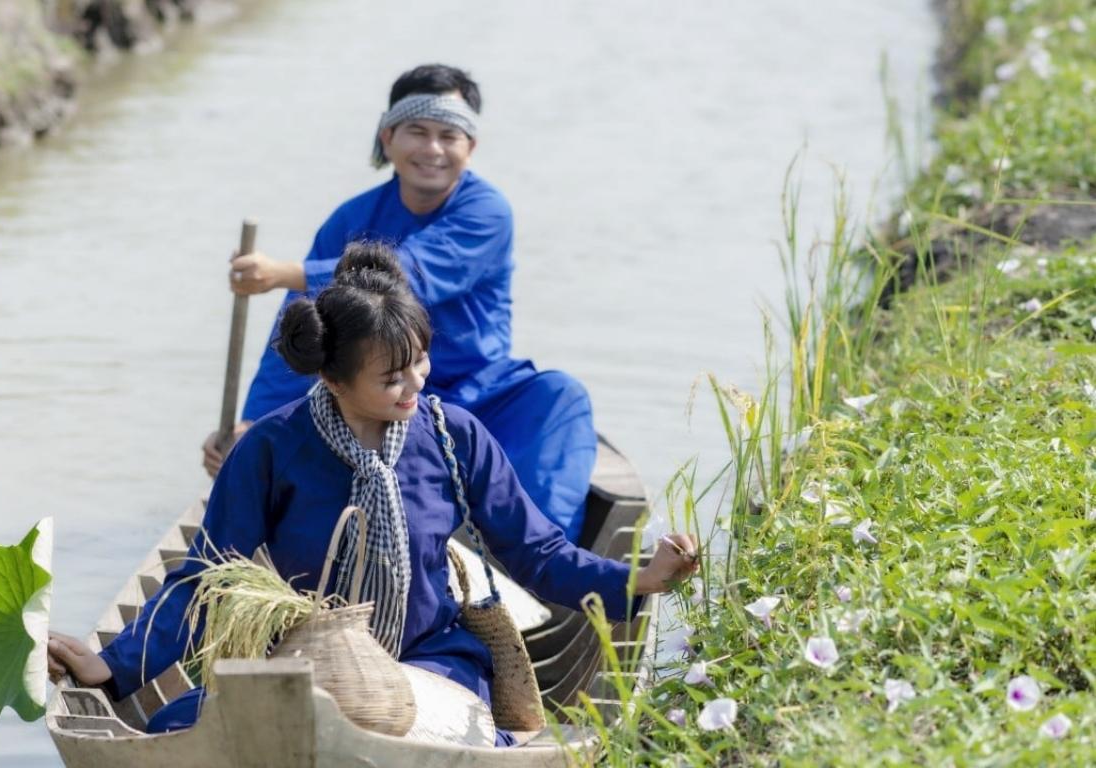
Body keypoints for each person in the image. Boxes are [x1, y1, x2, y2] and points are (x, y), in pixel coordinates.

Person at [52, 244, 700, 744]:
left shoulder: (454, 436)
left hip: (432, 658)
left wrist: (642, 579)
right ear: (333, 379)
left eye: (420, 360)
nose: (415, 383)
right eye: (391, 376)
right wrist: (112, 667)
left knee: (413, 732)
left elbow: (538, 553)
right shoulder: (274, 448)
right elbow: (206, 578)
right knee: (180, 735)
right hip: (304, 662)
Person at [203, 64, 598, 542]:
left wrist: (288, 271)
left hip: (477, 390)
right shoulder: (351, 217)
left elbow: (413, 272)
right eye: (417, 131)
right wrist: (253, 423)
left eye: (449, 135)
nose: (432, 150)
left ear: (469, 148)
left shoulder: (487, 210)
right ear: (387, 138)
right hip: (383, 393)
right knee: (305, 426)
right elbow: (302, 331)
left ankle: (536, 551)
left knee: (560, 396)